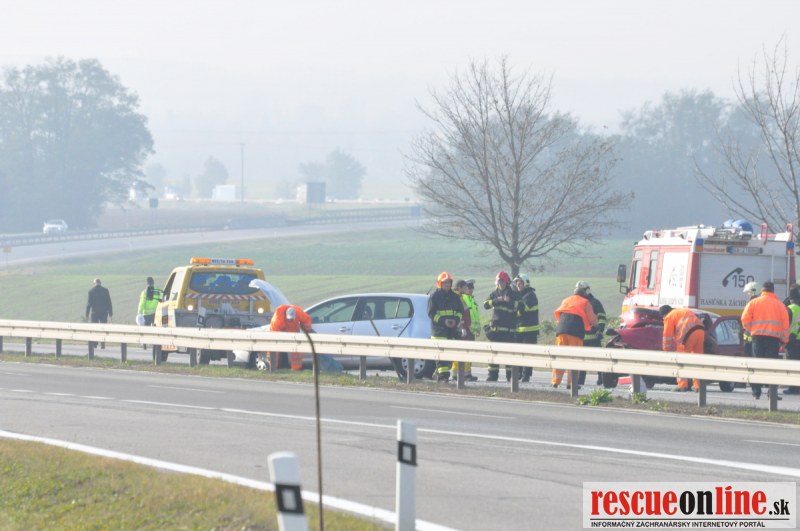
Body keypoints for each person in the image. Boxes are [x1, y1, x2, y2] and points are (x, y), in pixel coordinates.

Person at [741, 281, 790, 399]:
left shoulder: (754, 303)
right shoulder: (780, 305)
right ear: (773, 291)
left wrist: (751, 329)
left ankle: (756, 393)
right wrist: (784, 341)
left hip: (757, 338)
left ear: (762, 290)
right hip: (773, 340)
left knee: (756, 365)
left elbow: (744, 319)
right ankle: (771, 393)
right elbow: (785, 325)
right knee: (772, 367)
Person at [552, 281, 597, 389]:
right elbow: (592, 319)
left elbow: (560, 315)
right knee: (574, 358)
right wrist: (597, 326)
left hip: (561, 331)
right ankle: (571, 383)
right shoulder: (585, 302)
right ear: (586, 292)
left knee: (560, 357)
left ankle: (555, 381)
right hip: (575, 333)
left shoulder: (566, 300)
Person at [659, 305, 705, 392]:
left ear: (664, 315)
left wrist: (666, 350)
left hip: (688, 335)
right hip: (700, 331)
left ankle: (682, 385)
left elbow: (667, 335)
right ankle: (698, 386)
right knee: (697, 360)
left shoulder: (669, 316)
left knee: (681, 360)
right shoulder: (681, 311)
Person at [428, 271, 463, 382]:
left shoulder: (455, 297)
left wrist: (455, 320)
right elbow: (431, 313)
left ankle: (438, 373)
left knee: (450, 357)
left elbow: (460, 311)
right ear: (440, 283)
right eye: (445, 283)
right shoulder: (434, 296)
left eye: (448, 282)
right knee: (441, 357)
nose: (447, 285)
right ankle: (444, 377)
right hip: (439, 331)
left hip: (451, 331)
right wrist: (444, 321)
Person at [484, 271, 518, 382]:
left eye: (502, 281)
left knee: (509, 355)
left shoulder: (513, 294)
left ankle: (510, 377)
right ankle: (492, 376)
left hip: (509, 331)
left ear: (507, 282)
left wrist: (510, 302)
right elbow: (485, 305)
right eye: (499, 281)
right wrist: (496, 301)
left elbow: (521, 307)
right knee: (494, 354)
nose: (501, 283)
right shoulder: (494, 294)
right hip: (496, 331)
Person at [269, 304, 313, 371]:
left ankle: (296, 368)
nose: (290, 320)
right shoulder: (277, 320)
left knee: (296, 350)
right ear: (285, 315)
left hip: (294, 332)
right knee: (274, 348)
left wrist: (307, 330)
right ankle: (273, 367)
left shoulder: (298, 312)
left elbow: (307, 319)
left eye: (292, 319)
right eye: (289, 319)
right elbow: (273, 335)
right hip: (280, 332)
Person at [451, 279, 479, 382]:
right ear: (460, 287)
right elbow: (462, 314)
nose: (468, 289)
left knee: (462, 351)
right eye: (466, 287)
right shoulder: (458, 298)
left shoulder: (460, 297)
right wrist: (463, 326)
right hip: (462, 328)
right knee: (462, 351)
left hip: (465, 328)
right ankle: (460, 374)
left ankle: (461, 374)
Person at [513, 274, 539, 383]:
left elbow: (523, 308)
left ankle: (526, 376)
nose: (518, 285)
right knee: (518, 354)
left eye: (520, 283)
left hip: (529, 331)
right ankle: (519, 375)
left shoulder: (530, 295)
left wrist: (512, 302)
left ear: (526, 283)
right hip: (519, 330)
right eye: (517, 283)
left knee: (528, 355)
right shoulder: (519, 295)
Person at [582, 288, 606, 386]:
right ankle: (580, 383)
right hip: (586, 338)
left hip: (592, 337)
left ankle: (601, 379)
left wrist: (600, 330)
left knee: (596, 361)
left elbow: (602, 317)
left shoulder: (595, 303)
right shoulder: (584, 302)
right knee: (584, 362)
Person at [86, 278, 113, 349]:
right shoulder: (105, 290)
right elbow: (109, 302)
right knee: (103, 328)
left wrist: (87, 314)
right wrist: (110, 313)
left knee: (95, 329)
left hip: (94, 313)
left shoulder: (91, 291)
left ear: (94, 283)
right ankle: (102, 343)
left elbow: (88, 304)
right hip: (104, 313)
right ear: (100, 283)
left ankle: (95, 343)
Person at [783, 287, 800, 395]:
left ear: (790, 298)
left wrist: (783, 341)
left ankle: (793, 388)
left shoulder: (789, 309)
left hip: (792, 341)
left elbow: (785, 326)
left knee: (792, 365)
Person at [742, 281, 760, 358]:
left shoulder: (751, 303)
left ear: (753, 291)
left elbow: (745, 319)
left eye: (748, 292)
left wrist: (745, 330)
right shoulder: (759, 302)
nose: (748, 294)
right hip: (756, 336)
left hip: (751, 336)